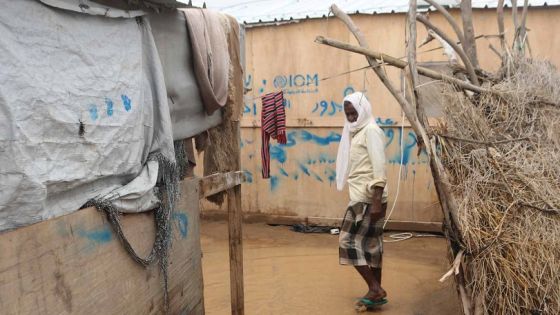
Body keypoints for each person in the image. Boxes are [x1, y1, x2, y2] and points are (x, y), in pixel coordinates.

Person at [336, 92, 388, 308]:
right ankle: (375, 292)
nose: (350, 117)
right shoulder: (357, 132)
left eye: (353, 112)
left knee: (346, 242)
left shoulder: (371, 131)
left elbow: (379, 165)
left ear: (363, 109)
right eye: (347, 114)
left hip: (366, 198)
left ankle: (375, 288)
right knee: (371, 245)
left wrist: (376, 200)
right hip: (366, 197)